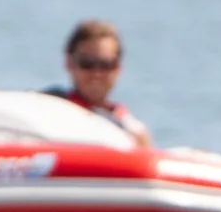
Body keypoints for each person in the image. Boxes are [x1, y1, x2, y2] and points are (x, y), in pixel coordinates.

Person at [45, 18, 153, 147]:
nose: (97, 74)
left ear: (118, 67)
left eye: (106, 64)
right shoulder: (47, 107)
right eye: (87, 64)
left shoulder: (133, 131)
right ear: (69, 63)